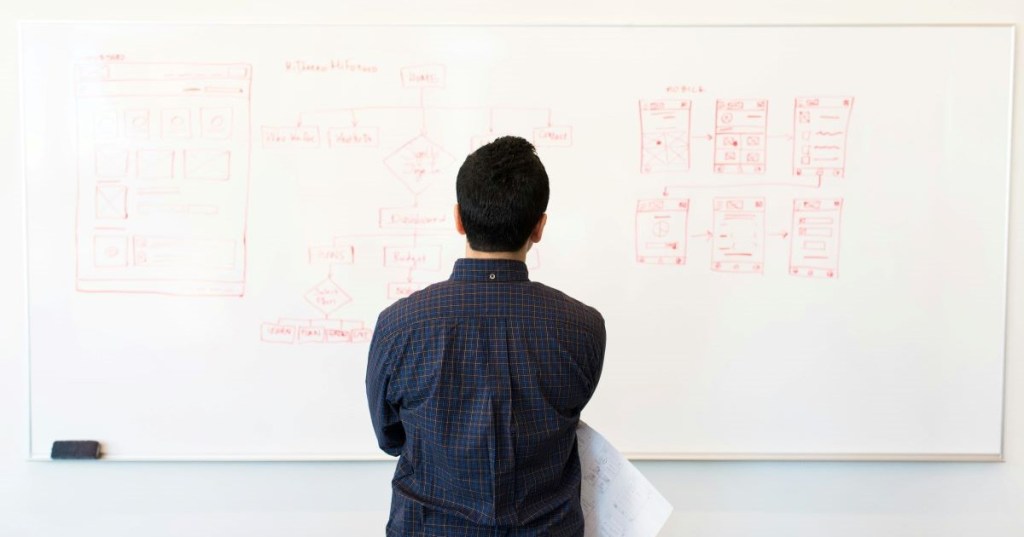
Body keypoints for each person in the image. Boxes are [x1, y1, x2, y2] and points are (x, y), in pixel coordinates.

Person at [365, 135, 606, 536]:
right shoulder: (583, 327)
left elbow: (390, 437)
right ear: (540, 226)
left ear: (458, 219)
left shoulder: (399, 325)